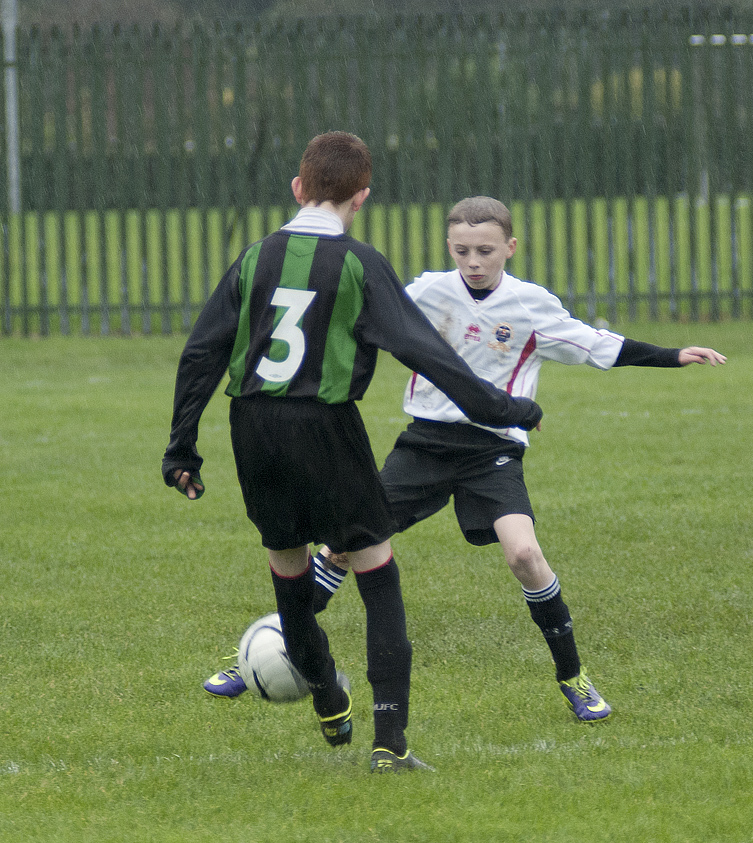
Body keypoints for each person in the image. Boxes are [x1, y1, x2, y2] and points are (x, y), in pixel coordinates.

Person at [204, 195, 726, 725]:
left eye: (485, 251)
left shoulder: (530, 304)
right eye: (462, 251)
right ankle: (256, 660)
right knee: (341, 547)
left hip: (492, 452)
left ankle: (573, 677)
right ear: (449, 248)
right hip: (424, 445)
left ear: (510, 248)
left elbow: (596, 345)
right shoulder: (426, 292)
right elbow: (365, 319)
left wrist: (671, 355)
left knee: (524, 554)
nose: (473, 262)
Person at [163, 145, 544, 774]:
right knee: (376, 573)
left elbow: (201, 352)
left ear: (296, 187)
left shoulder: (255, 256)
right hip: (326, 427)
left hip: (252, 427)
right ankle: (389, 742)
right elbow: (424, 351)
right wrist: (502, 409)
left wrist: (182, 447)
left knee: (288, 567)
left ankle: (327, 697)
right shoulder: (360, 263)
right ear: (361, 196)